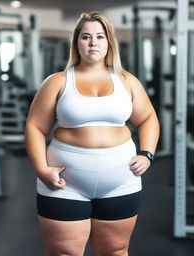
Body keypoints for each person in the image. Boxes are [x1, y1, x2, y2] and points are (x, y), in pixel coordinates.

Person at [25, 11, 160, 256]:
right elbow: (35, 127)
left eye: (99, 36)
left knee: (116, 251)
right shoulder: (57, 82)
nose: (93, 42)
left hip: (120, 181)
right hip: (65, 185)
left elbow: (149, 118)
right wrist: (41, 170)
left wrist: (147, 154)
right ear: (77, 42)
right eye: (86, 36)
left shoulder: (127, 81)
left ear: (109, 42)